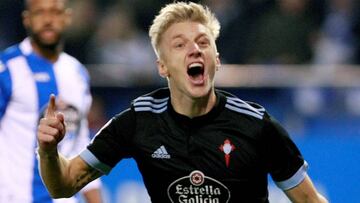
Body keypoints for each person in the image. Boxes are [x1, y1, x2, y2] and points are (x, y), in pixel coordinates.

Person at [37, 2, 328, 203]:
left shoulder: (256, 125)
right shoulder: (138, 120)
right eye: (179, 44)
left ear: (216, 59)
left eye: (203, 43)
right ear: (162, 66)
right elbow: (63, 184)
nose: (194, 51)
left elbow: (310, 200)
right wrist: (49, 152)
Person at [0, 0, 102, 202]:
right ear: (27, 20)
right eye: (40, 13)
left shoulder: (77, 72)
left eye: (55, 12)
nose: (48, 20)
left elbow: (81, 146)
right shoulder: (8, 68)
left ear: (67, 17)